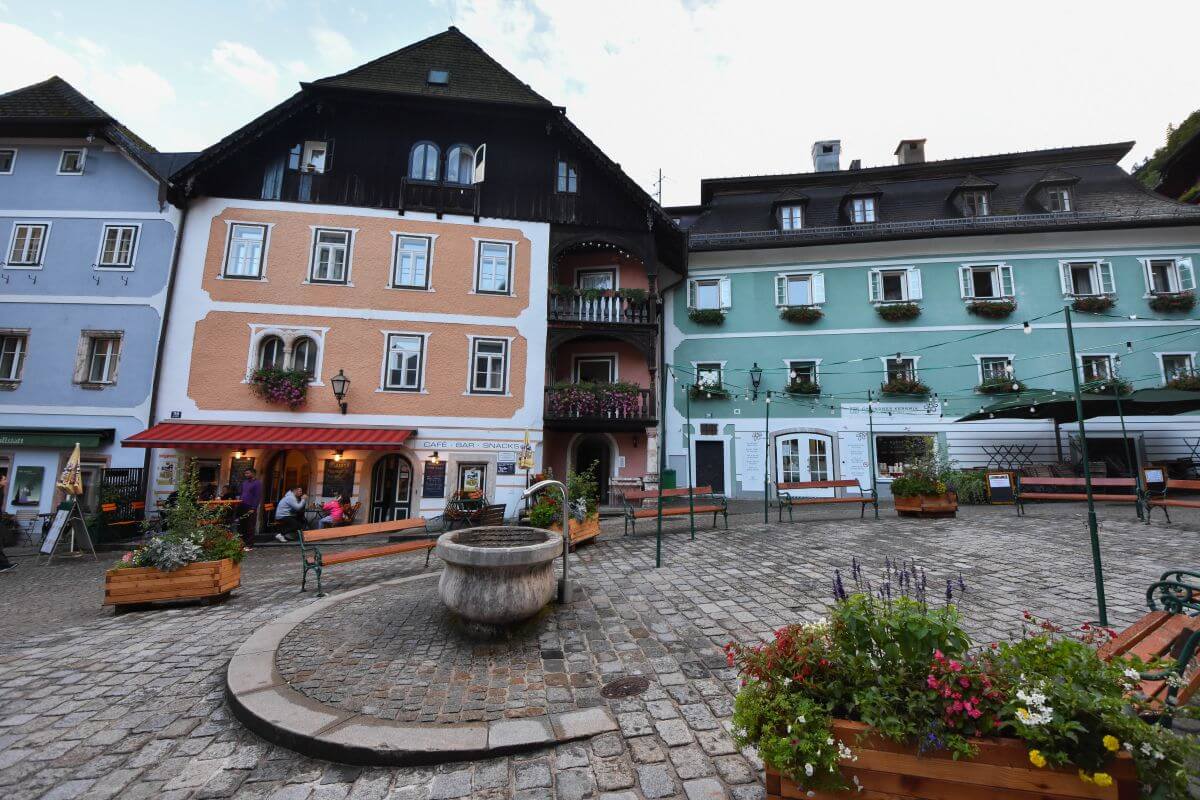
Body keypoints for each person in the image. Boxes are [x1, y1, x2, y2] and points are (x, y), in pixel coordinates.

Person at [236, 468, 263, 549]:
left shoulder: (257, 483)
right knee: (241, 525)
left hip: (250, 506)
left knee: (250, 526)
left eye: (248, 473)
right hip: (242, 505)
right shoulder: (244, 483)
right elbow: (242, 493)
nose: (246, 475)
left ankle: (249, 544)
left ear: (253, 474)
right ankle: (241, 543)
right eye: (245, 473)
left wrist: (253, 508)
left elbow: (257, 496)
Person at [0, 474, 15, 573]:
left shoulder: (1, 492)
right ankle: (4, 564)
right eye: (4, 479)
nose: (6, 481)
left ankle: (4, 564)